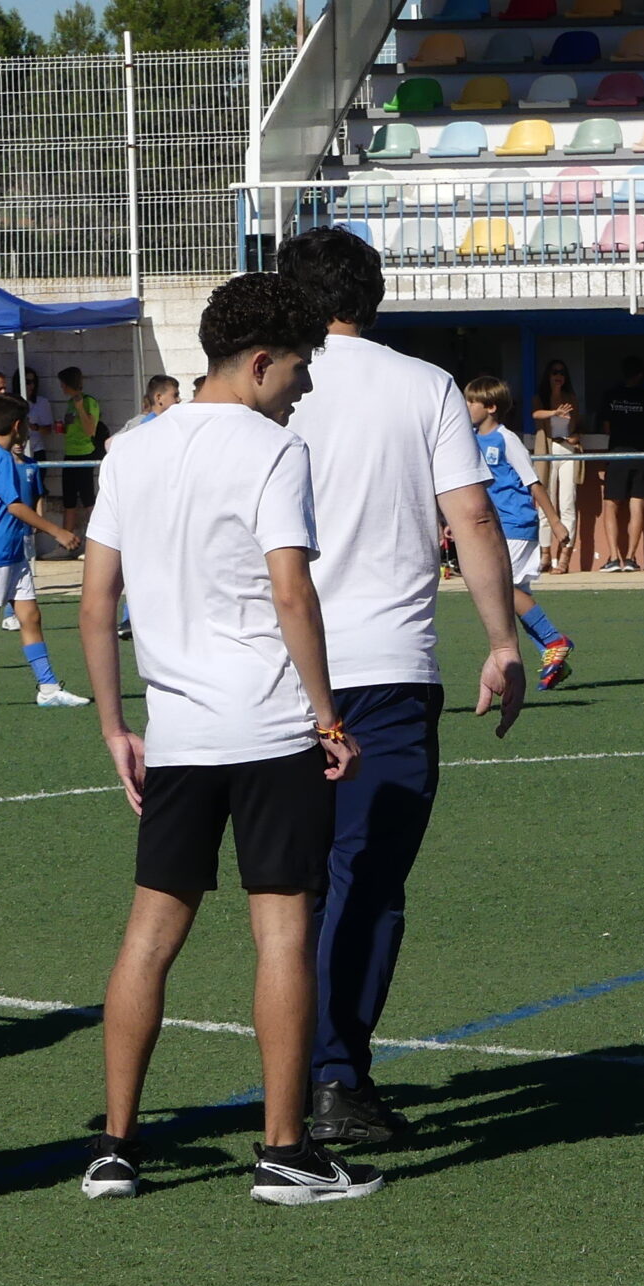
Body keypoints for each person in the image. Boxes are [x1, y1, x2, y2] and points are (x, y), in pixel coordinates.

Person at [75, 271, 382, 1205]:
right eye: (298, 367)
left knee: (148, 936)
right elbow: (292, 591)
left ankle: (115, 1148)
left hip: (177, 731)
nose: (304, 386)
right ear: (257, 363)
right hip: (269, 724)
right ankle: (284, 1152)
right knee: (282, 931)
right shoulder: (274, 449)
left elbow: (95, 600)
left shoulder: (131, 448)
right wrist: (328, 715)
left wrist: (115, 724)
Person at [277, 226, 527, 1148]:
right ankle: (336, 1077)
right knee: (369, 882)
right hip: (386, 667)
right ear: (374, 297)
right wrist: (501, 641)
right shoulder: (424, 384)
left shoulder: (261, 385)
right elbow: (472, 517)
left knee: (289, 885)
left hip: (277, 668)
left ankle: (289, 1085)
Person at [0, 394, 90, 708]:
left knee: (30, 616)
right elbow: (15, 506)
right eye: (28, 423)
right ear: (18, 425)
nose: (30, 429)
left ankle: (48, 687)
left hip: (12, 551)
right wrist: (57, 531)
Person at [469, 375, 577, 690]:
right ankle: (552, 656)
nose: (466, 407)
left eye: (472, 401)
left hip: (516, 522)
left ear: (491, 407)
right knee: (516, 597)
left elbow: (533, 482)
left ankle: (554, 640)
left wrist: (555, 522)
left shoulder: (507, 439)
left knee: (502, 589)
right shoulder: (471, 439)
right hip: (497, 524)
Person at [597, 355, 644, 572]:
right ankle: (630, 558)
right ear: (640, 375)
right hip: (642, 456)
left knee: (611, 505)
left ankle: (613, 558)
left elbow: (606, 429)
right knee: (637, 506)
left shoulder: (610, 395)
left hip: (617, 455)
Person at [531, 360, 584, 574]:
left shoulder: (571, 398)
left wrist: (575, 437)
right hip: (547, 450)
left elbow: (578, 426)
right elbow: (535, 414)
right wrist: (554, 412)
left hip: (568, 450)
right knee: (546, 504)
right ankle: (545, 555)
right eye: (554, 372)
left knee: (568, 503)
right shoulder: (540, 398)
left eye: (562, 372)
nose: (558, 376)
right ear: (548, 375)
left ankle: (564, 558)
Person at [53, 365, 105, 545]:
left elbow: (90, 430)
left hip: (84, 454)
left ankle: (98, 542)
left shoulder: (89, 402)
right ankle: (66, 543)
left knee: (88, 499)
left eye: (63, 384)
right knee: (69, 500)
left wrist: (80, 407)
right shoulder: (69, 404)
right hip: (70, 454)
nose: (61, 387)